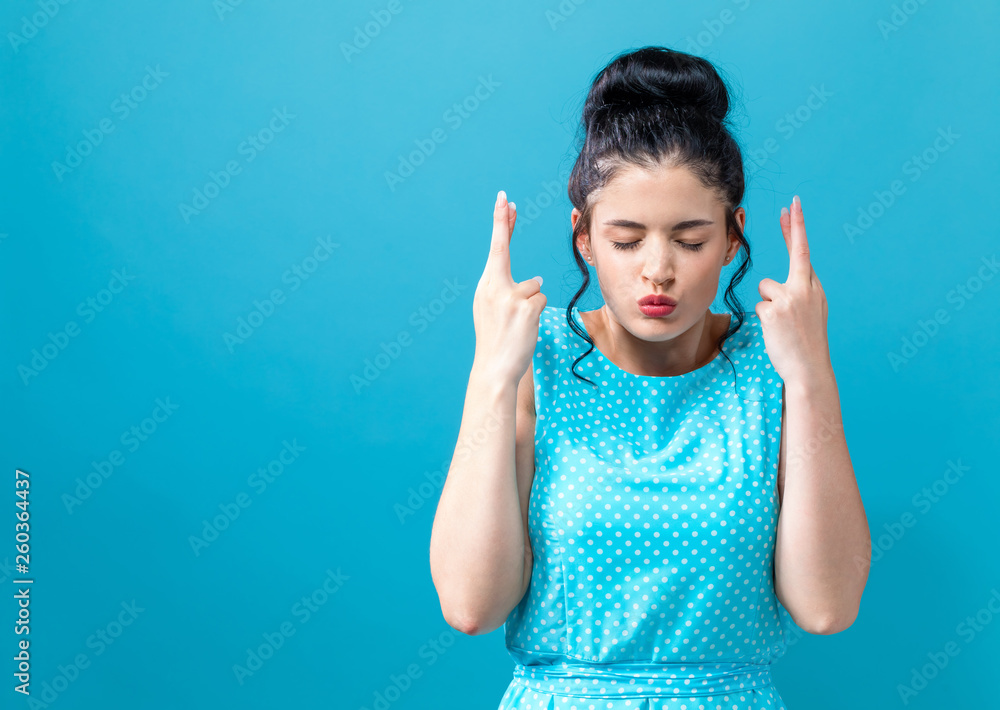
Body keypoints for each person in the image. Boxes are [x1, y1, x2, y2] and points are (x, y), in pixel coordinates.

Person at [429, 45, 870, 709]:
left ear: (732, 237)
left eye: (690, 240)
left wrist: (811, 379)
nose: (657, 269)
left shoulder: (773, 367)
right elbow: (470, 605)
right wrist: (492, 373)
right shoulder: (531, 360)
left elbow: (827, 607)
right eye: (626, 239)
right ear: (584, 237)